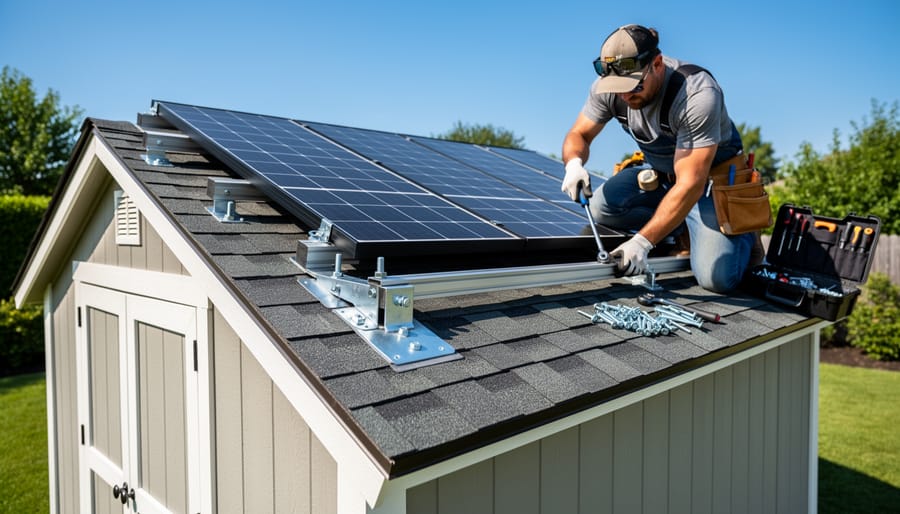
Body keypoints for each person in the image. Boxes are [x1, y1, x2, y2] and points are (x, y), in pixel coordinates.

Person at [561, 23, 758, 293]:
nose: (625, 95)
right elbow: (578, 134)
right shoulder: (607, 89)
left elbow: (691, 184)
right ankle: (678, 226)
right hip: (664, 176)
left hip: (711, 184)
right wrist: (574, 164)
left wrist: (642, 242)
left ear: (657, 64)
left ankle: (742, 234)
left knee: (717, 280)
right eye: (618, 89)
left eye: (634, 86)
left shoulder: (697, 94)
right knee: (600, 209)